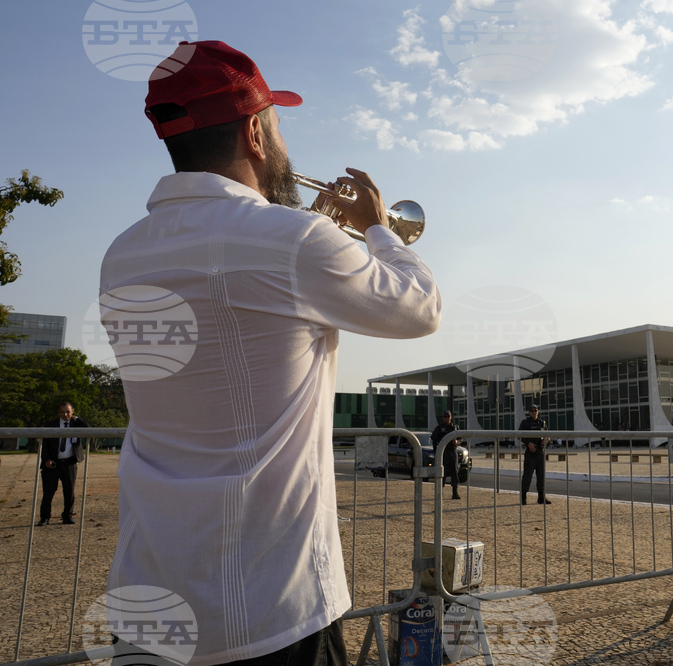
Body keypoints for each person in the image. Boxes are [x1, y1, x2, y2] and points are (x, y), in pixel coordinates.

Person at [100, 41, 441, 666]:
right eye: (278, 125)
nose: (284, 145)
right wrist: (377, 228)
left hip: (150, 600)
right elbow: (420, 309)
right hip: (272, 607)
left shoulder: (122, 253)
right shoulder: (296, 239)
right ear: (255, 133)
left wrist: (306, 232)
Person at [37, 402, 88, 526]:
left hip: (69, 462)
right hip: (53, 463)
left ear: (72, 411)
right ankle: (44, 517)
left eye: (68, 412)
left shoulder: (76, 424)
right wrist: (46, 460)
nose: (65, 414)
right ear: (59, 412)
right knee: (48, 492)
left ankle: (67, 516)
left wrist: (76, 418)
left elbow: (88, 428)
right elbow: (44, 445)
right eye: (62, 412)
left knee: (69, 491)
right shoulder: (50, 425)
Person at [518, 405, 550, 505]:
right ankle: (523, 497)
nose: (534, 412)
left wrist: (546, 440)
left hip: (540, 452)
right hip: (530, 452)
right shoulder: (525, 423)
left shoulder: (542, 423)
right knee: (527, 476)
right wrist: (528, 443)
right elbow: (519, 435)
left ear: (538, 412)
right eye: (532, 411)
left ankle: (541, 497)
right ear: (529, 412)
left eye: (535, 410)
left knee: (541, 476)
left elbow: (547, 434)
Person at [431, 410, 461, 500]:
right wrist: (436, 453)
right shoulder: (439, 428)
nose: (447, 418)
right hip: (443, 452)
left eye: (448, 416)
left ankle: (455, 492)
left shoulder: (455, 427)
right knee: (442, 472)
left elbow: (461, 438)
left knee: (454, 471)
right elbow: (434, 440)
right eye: (445, 417)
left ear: (451, 417)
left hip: (453, 451)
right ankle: (440, 493)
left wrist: (457, 442)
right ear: (443, 418)